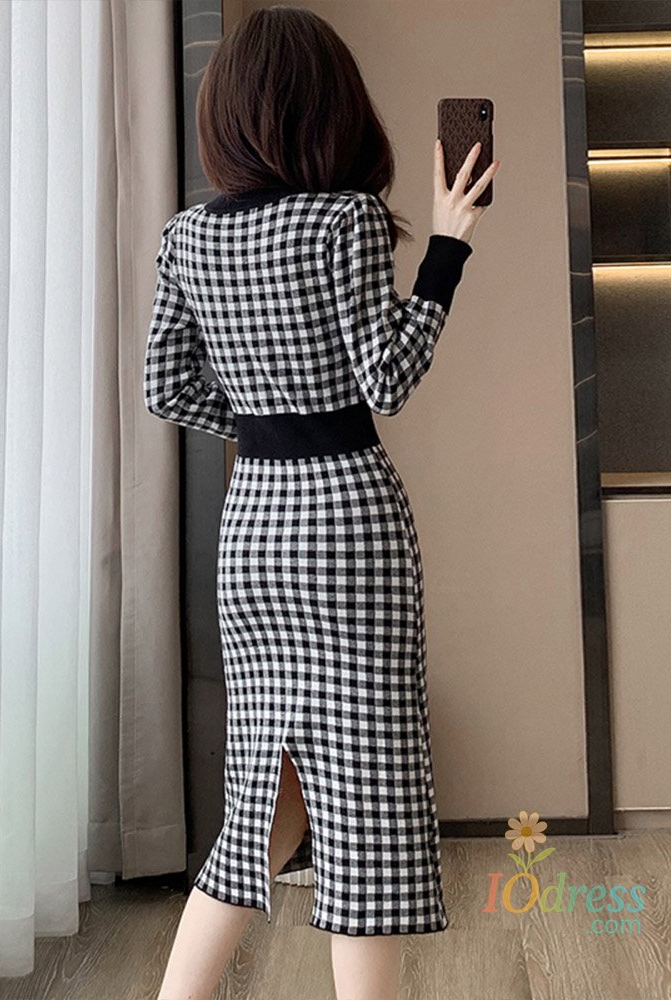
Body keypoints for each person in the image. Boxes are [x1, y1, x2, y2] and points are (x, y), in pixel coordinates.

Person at [143, 7, 499, 1000]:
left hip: (254, 529)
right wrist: (449, 247)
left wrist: (265, 420)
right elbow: (387, 377)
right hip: (346, 523)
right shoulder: (344, 219)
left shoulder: (187, 237)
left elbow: (165, 388)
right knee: (370, 806)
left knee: (268, 794)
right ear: (333, 108)